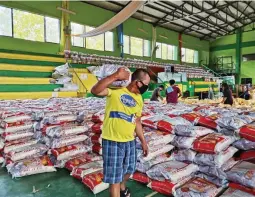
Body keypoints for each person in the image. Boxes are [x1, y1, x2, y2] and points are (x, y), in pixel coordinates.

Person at [91, 68, 150, 197]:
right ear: (137, 82)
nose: (147, 87)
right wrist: (116, 75)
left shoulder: (139, 98)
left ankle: (122, 187)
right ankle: (118, 189)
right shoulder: (116, 91)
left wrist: (144, 142)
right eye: (146, 84)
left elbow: (137, 122)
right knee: (115, 178)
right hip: (112, 140)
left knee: (129, 169)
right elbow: (95, 91)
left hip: (129, 141)